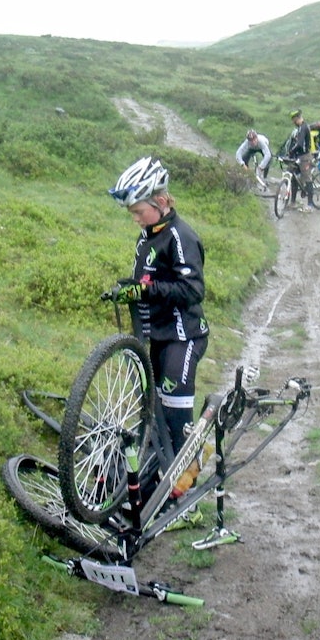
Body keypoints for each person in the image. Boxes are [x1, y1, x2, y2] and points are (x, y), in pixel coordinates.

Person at [108, 157, 210, 517]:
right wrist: (129, 289)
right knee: (155, 416)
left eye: (139, 211)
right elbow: (148, 282)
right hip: (158, 336)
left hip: (184, 338)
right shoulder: (148, 235)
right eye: (132, 214)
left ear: (161, 201)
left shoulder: (181, 237)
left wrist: (146, 291)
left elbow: (193, 290)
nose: (136, 219)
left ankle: (187, 505)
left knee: (176, 419)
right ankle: (155, 488)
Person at [285, 109, 315, 212]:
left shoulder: (303, 127)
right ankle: (293, 202)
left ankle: (310, 205)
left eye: (293, 120)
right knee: (293, 177)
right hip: (297, 156)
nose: (293, 122)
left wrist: (291, 152)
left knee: (307, 178)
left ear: (297, 118)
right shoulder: (298, 128)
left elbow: (300, 144)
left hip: (305, 156)